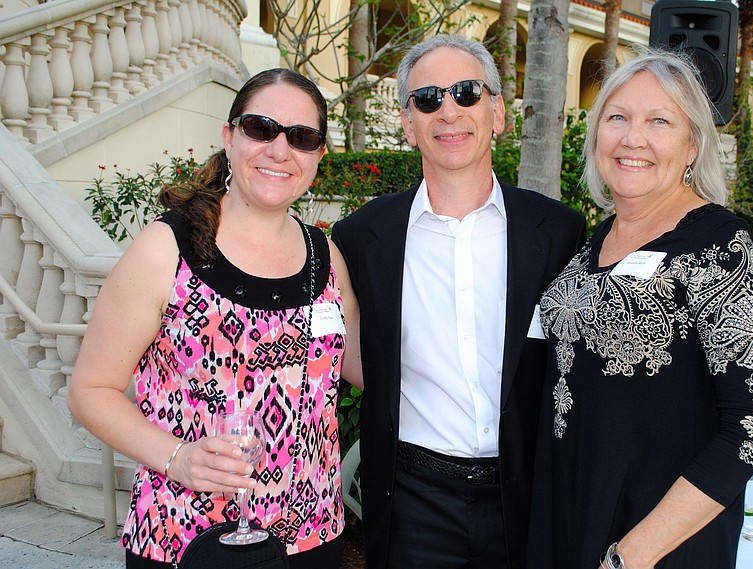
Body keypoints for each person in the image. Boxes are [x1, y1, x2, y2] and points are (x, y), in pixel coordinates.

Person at [67, 68, 362, 569]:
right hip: (186, 536)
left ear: (318, 155)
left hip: (313, 535)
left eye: (302, 136)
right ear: (229, 138)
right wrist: (177, 458)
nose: (279, 149)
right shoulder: (168, 247)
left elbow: (361, 364)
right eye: (260, 129)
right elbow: (90, 391)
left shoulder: (324, 255)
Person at [331, 34, 586, 569]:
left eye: (467, 93)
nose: (448, 110)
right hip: (413, 501)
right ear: (408, 122)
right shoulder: (361, 239)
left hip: (531, 492)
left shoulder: (559, 233)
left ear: (497, 112)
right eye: (427, 98)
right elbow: (343, 354)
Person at [527, 48, 753, 569]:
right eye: (617, 117)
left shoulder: (720, 249)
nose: (632, 138)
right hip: (570, 526)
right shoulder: (592, 242)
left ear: (692, 145)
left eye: (659, 121)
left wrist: (631, 555)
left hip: (656, 550)